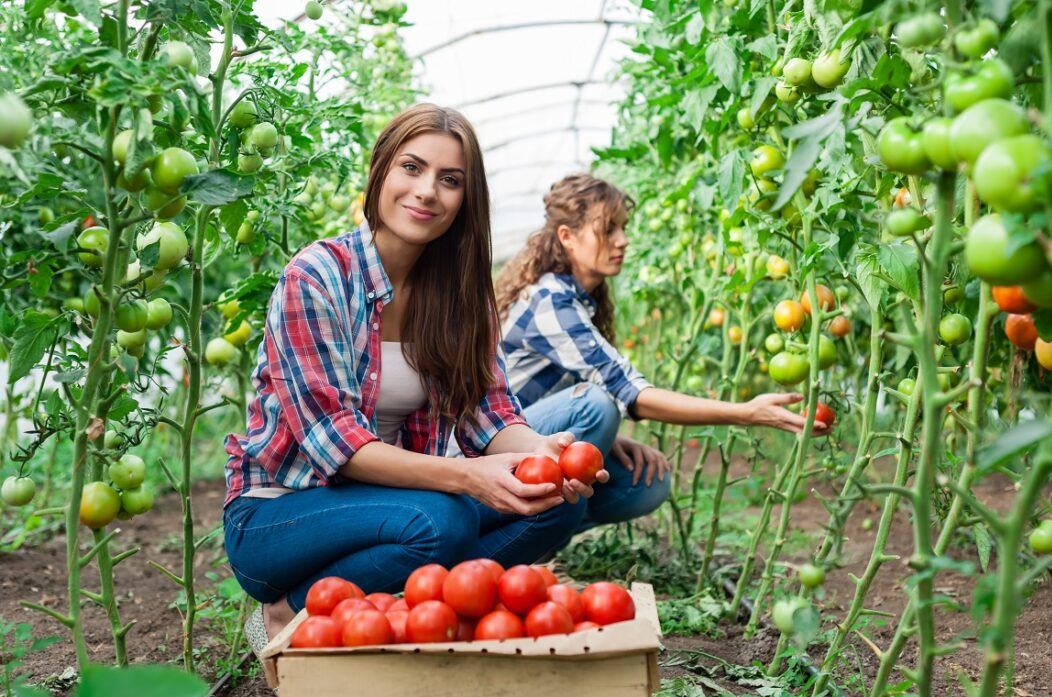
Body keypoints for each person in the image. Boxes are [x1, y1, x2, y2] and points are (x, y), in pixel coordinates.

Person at [222, 106, 605, 651]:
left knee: (553, 503)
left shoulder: (459, 300)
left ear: (465, 201)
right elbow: (339, 445)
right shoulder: (317, 277)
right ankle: (291, 606)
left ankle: (408, 609)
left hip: (381, 502)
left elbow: (489, 413)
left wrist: (543, 452)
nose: (427, 191)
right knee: (440, 521)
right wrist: (470, 478)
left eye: (450, 180)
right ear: (381, 172)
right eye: (412, 167)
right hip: (278, 514)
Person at [494, 174, 831, 547]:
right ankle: (516, 534)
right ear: (567, 237)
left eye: (623, 227)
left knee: (646, 483)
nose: (623, 240)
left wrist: (608, 439)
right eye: (608, 229)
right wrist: (747, 412)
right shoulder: (552, 300)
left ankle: (523, 535)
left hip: (528, 438)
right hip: (491, 448)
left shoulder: (578, 298)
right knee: (595, 407)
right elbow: (629, 392)